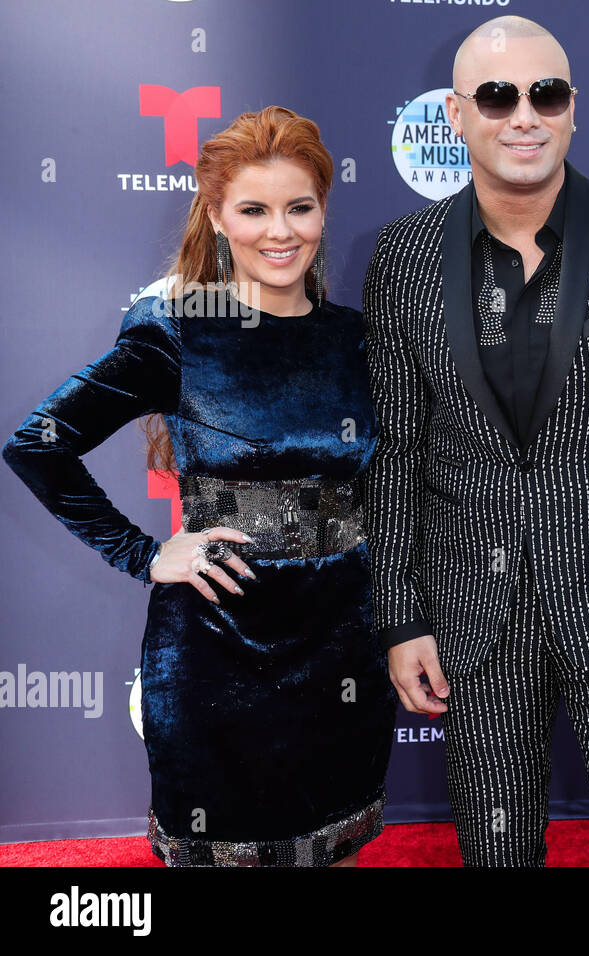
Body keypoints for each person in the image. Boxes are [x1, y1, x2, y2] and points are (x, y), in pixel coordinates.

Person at [363, 16, 589, 867]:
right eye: (497, 96)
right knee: (498, 850)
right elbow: (397, 451)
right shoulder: (402, 257)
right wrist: (402, 617)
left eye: (545, 94)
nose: (523, 115)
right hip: (471, 611)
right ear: (455, 117)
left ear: (572, 110)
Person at [3, 106, 396, 866]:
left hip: (343, 640)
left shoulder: (358, 338)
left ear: (323, 211)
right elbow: (39, 446)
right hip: (218, 645)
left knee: (334, 850)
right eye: (253, 209)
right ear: (216, 216)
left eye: (299, 208)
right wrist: (145, 553)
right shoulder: (179, 330)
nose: (279, 232)